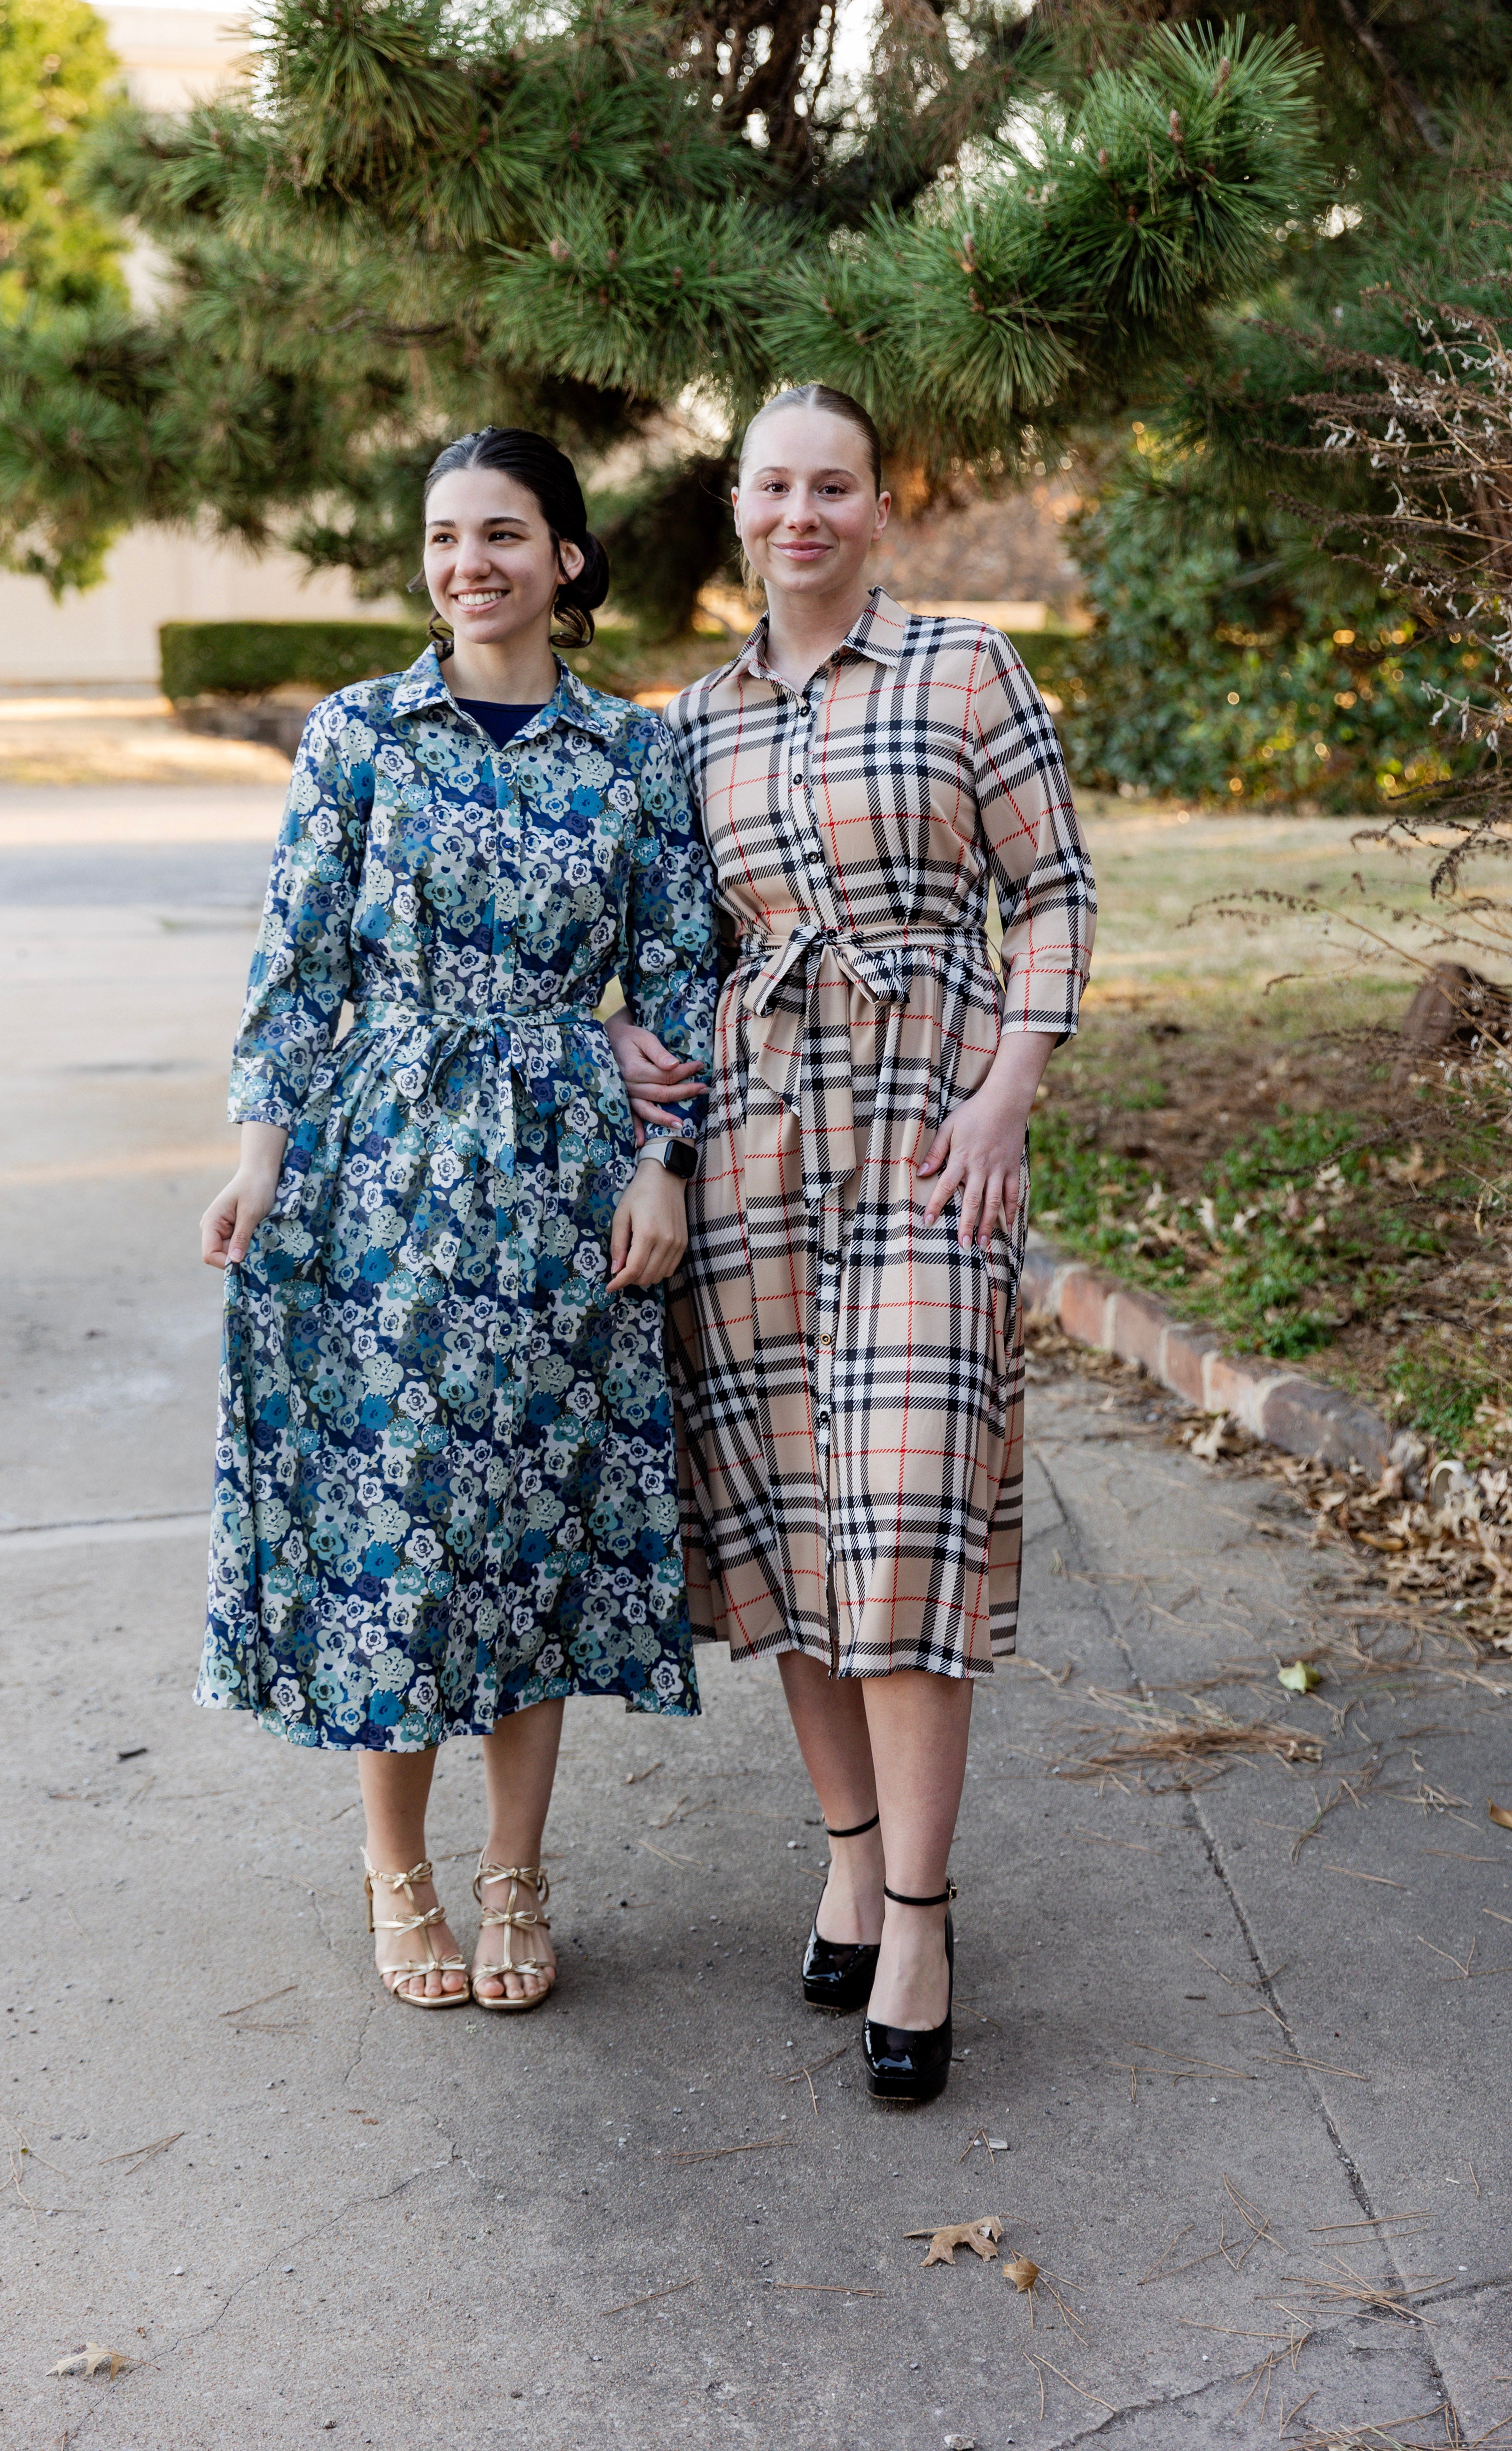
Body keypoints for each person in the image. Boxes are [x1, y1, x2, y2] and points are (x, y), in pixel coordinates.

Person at [608, 385, 1097, 2100]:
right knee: (790, 1539)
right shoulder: (691, 725)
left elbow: (1057, 896)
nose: (802, 514)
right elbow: (651, 943)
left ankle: (922, 1913)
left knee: (899, 1525)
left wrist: (1005, 1097)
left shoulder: (968, 673)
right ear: (737, 509)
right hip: (751, 1148)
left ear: (882, 508)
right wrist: (619, 1043)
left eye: (836, 487)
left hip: (927, 1140)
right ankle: (848, 1847)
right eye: (775, 488)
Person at [197, 429, 715, 2012]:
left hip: (566, 1179)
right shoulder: (358, 738)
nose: (467, 563)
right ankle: (397, 1872)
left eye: (502, 533)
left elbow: (680, 981)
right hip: (383, 1181)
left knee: (530, 1531)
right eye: (442, 537)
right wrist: (257, 1157)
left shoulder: (634, 756)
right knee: (398, 1538)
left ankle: (516, 1874)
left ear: (566, 558)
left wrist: (664, 1165)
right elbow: (295, 969)